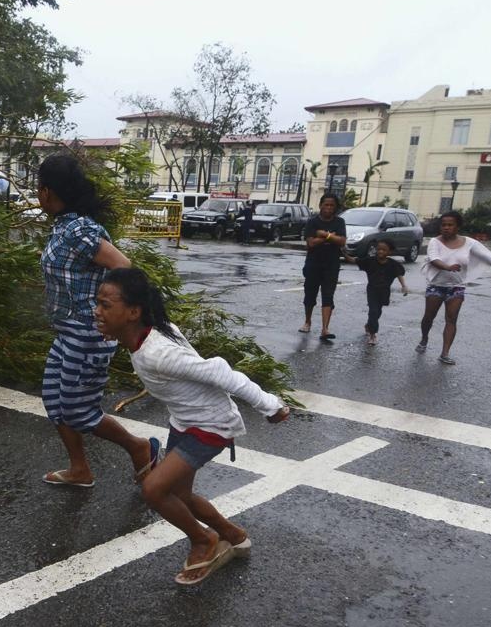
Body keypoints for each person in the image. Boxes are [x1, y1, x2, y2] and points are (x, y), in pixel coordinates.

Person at [94, 267, 290, 585]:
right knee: (179, 497)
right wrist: (113, 331)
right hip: (186, 421)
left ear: (133, 312)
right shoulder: (148, 333)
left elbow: (220, 372)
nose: (97, 310)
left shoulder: (159, 353)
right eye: (98, 303)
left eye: (105, 305)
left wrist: (271, 405)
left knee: (154, 489)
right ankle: (233, 535)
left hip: (210, 425)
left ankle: (203, 540)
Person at [37, 155, 161, 488]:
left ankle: (140, 448)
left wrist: (114, 316)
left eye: (39, 187)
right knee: (54, 400)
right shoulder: (65, 225)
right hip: (67, 331)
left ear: (47, 191)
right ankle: (80, 469)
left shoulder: (79, 229)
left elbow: (124, 266)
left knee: (78, 411)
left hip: (88, 333)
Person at [417, 211, 491, 364]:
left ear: (458, 227)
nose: (446, 228)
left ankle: (445, 353)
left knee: (451, 319)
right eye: (443, 225)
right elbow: (434, 259)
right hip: (436, 286)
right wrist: (448, 267)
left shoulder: (470, 243)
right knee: (428, 318)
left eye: (450, 225)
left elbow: (488, 257)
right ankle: (424, 339)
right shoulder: (434, 242)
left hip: (456, 287)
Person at [300, 193, 347, 340]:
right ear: (320, 205)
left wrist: (324, 235)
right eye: (326, 204)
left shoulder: (340, 222)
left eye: (331, 205)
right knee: (310, 294)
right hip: (313, 263)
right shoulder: (312, 222)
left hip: (332, 264)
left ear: (335, 207)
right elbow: (311, 243)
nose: (328, 208)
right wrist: (331, 236)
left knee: (328, 295)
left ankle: (325, 329)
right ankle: (307, 321)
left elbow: (342, 241)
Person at [357, 239, 408, 345]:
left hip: (384, 291)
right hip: (372, 290)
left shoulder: (393, 264)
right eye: (379, 249)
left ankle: (369, 325)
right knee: (373, 311)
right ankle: (373, 334)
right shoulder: (370, 261)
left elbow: (399, 274)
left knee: (378, 311)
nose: (380, 251)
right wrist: (343, 252)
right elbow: (355, 260)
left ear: (389, 252)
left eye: (384, 250)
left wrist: (404, 286)